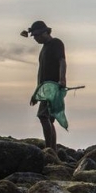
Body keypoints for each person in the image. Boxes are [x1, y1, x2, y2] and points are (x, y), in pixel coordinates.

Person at [26, 20, 66, 151]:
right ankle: (52, 149)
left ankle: (50, 150)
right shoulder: (44, 48)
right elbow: (41, 72)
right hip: (44, 88)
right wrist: (36, 94)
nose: (36, 39)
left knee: (43, 116)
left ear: (45, 32)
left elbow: (62, 61)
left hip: (53, 87)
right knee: (48, 118)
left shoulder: (56, 43)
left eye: (37, 35)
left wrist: (62, 79)